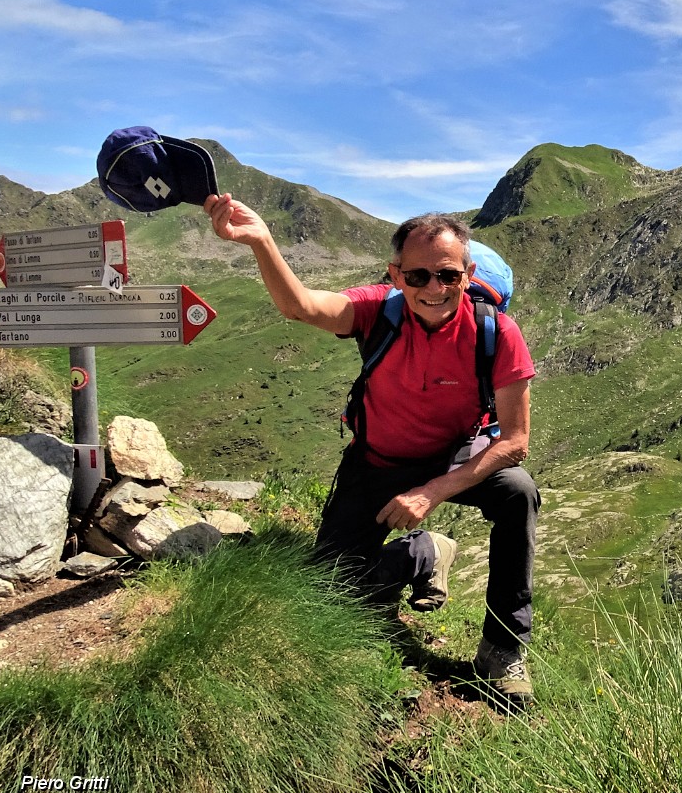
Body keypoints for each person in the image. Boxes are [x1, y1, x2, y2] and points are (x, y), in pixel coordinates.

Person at [203, 193, 539, 705]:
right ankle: (423, 553)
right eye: (418, 276)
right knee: (328, 594)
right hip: (376, 462)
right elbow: (301, 306)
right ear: (396, 274)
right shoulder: (375, 311)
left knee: (517, 493)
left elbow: (515, 441)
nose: (434, 288)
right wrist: (261, 241)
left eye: (447, 275)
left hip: (452, 458)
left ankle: (503, 647)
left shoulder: (496, 332)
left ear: (467, 274)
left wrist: (432, 492)